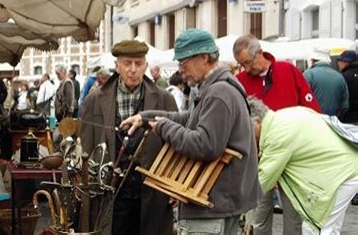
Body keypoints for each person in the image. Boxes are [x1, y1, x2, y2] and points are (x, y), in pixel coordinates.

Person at [120, 29, 261, 235]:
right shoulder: (216, 88)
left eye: (183, 63)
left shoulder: (219, 92)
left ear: (204, 58)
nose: (181, 70)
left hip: (214, 204)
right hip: (219, 203)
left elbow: (205, 145)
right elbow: (189, 118)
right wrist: (146, 117)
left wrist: (164, 127)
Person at [80, 39, 178, 235]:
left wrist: (175, 184)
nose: (133, 69)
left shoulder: (164, 98)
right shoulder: (95, 99)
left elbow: (175, 146)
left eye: (138, 63)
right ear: (117, 66)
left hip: (152, 194)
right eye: (127, 63)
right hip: (111, 195)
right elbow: (86, 148)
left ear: (146, 66)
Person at [233, 34, 321, 235]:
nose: (245, 69)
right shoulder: (239, 81)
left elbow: (312, 111)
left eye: (247, 63)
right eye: (241, 64)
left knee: (293, 217)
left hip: (293, 159)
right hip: (258, 159)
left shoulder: (288, 71)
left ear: (260, 53)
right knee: (257, 218)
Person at [247, 97, 358, 234]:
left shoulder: (277, 134)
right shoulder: (283, 117)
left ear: (257, 122)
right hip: (347, 167)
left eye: (246, 129)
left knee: (315, 228)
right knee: (328, 228)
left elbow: (263, 180)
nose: (247, 136)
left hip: (340, 174)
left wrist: (238, 204)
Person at [303, 50, 349, 116]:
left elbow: (303, 98)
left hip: (315, 119)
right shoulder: (339, 76)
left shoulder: (308, 74)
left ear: (313, 61)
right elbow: (345, 105)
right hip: (334, 120)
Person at [336, 50, 358, 124]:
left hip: (349, 117)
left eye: (340, 60)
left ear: (346, 61)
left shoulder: (343, 77)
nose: (338, 63)